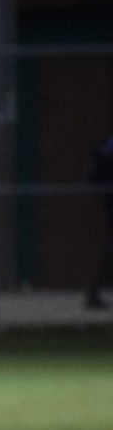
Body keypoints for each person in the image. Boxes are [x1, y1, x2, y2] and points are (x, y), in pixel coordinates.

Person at [83, 130, 113, 311]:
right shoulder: (107, 146)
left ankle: (94, 292)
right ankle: (93, 293)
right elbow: (93, 174)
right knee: (110, 248)